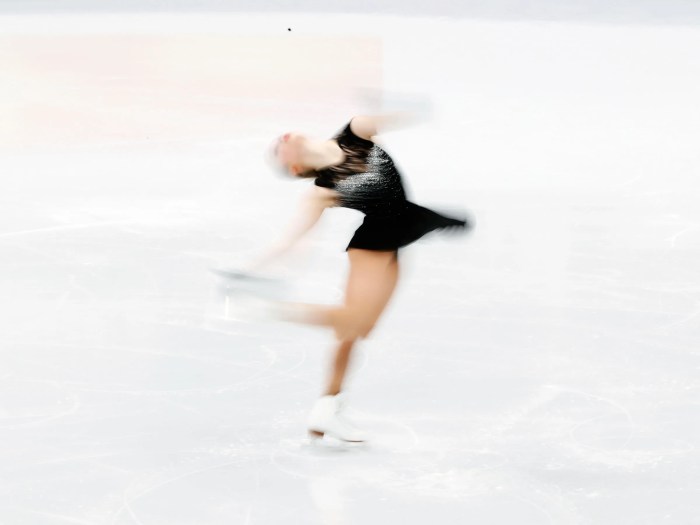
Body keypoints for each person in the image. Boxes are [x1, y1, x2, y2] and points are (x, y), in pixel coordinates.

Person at [242, 114, 471, 442]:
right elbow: (292, 240)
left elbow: (384, 116)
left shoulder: (356, 133)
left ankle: (327, 410)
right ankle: (264, 309)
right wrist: (253, 269)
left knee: (357, 330)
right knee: (352, 319)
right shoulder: (321, 191)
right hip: (371, 246)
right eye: (277, 150)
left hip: (398, 236)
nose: (281, 140)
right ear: (295, 169)